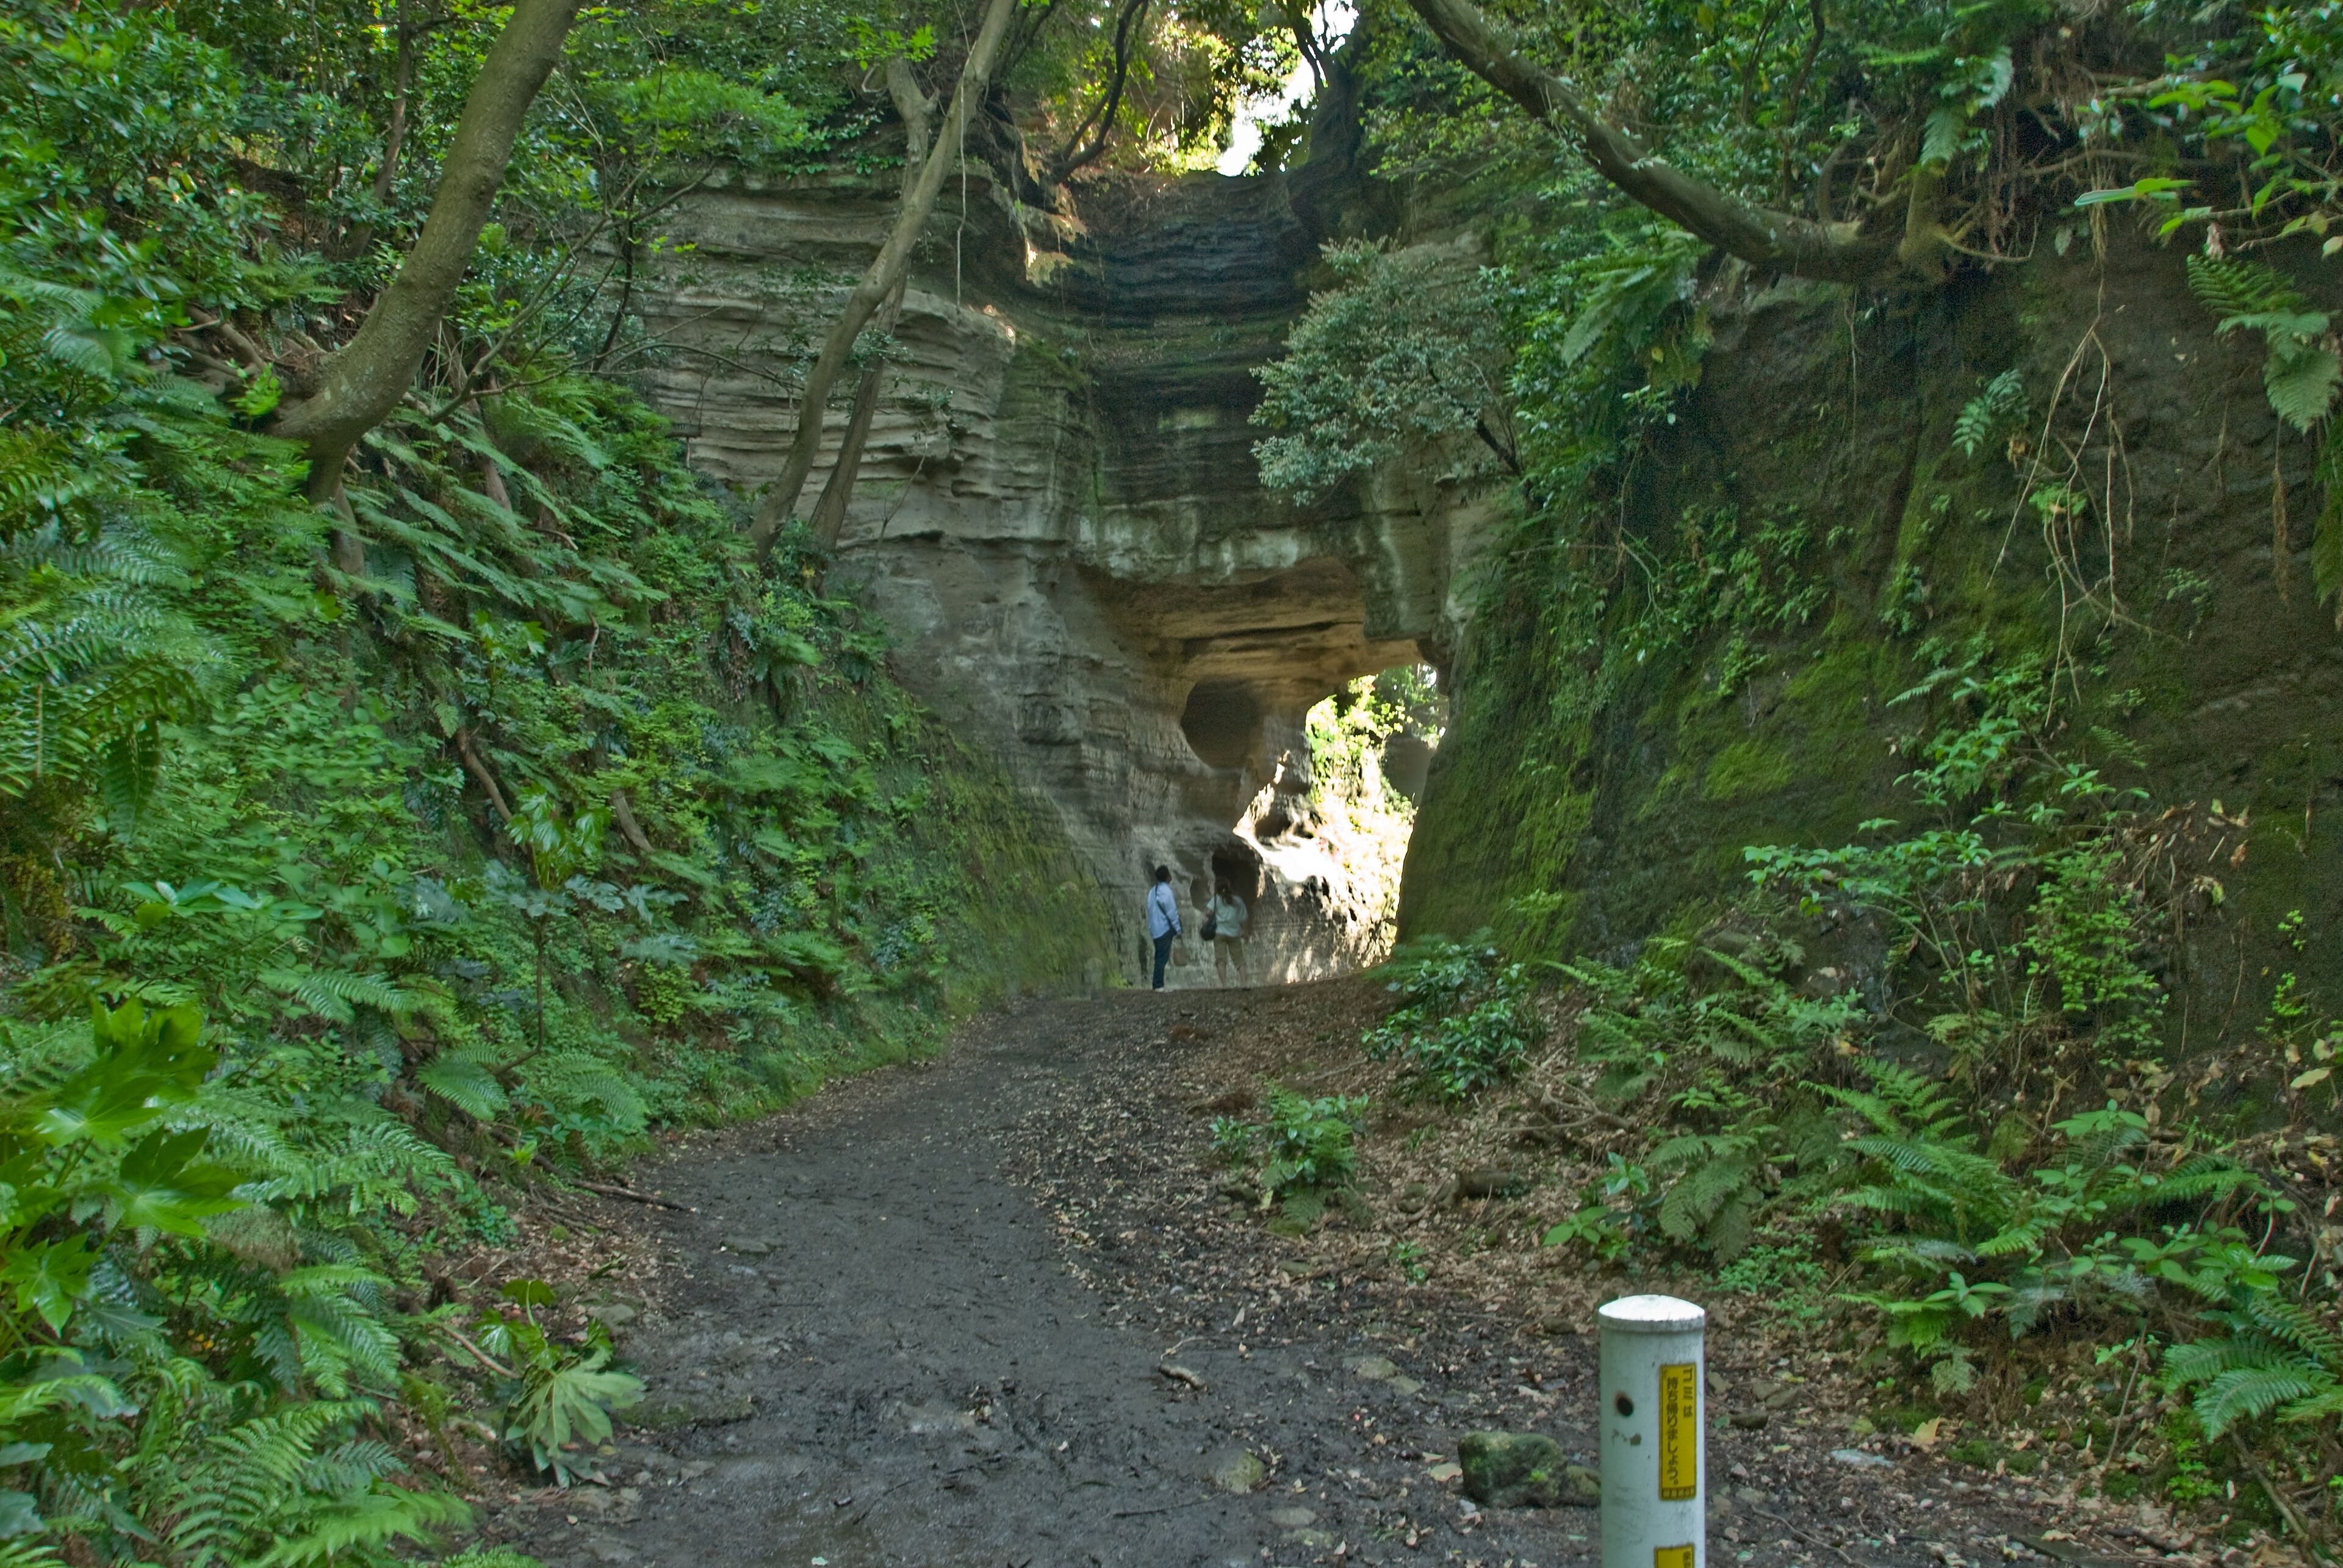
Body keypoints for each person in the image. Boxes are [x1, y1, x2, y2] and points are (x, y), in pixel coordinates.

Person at [1144, 865, 1181, 990]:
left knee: (1160, 956)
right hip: (1164, 928)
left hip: (1154, 928)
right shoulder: (1166, 891)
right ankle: (1158, 985)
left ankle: (1158, 984)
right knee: (1162, 957)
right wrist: (1178, 929)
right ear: (1167, 876)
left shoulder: (1152, 891)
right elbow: (1172, 912)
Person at [1208, 879, 1250, 986]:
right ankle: (1245, 984)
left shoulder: (1216, 900)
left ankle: (1225, 986)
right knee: (1240, 960)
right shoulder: (1237, 900)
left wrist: (1214, 916)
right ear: (1229, 887)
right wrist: (1245, 932)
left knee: (1221, 960)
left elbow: (1208, 912)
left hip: (1219, 933)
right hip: (1234, 933)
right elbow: (1244, 918)